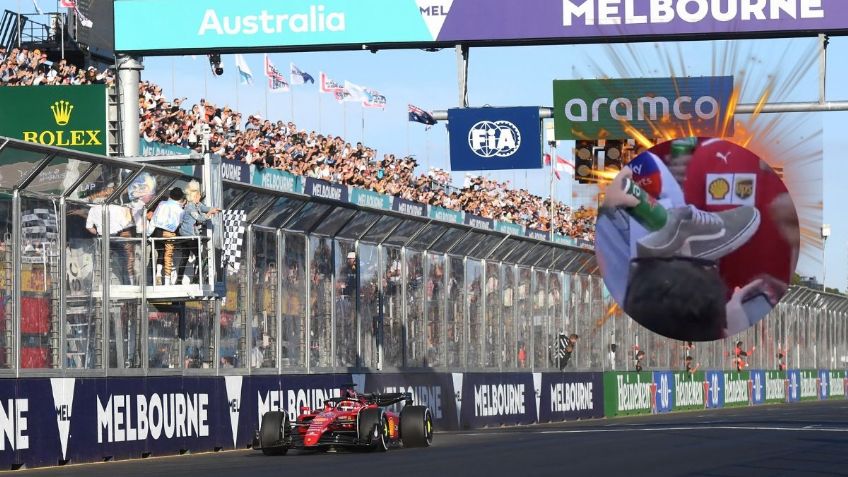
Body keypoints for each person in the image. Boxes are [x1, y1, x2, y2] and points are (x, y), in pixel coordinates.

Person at [177, 180, 220, 284]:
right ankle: (196, 278)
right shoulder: (190, 207)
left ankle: (179, 280)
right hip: (188, 235)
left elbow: (204, 207)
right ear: (194, 196)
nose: (200, 197)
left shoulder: (197, 204)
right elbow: (200, 218)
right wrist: (209, 213)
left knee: (185, 256)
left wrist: (213, 209)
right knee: (200, 257)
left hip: (188, 235)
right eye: (198, 195)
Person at [149, 188, 186, 285]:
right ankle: (167, 281)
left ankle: (158, 274)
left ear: (170, 195)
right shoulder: (181, 210)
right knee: (168, 255)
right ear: (180, 197)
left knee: (160, 252)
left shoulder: (162, 204)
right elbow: (180, 223)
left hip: (158, 231)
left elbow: (154, 219)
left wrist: (148, 233)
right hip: (171, 233)